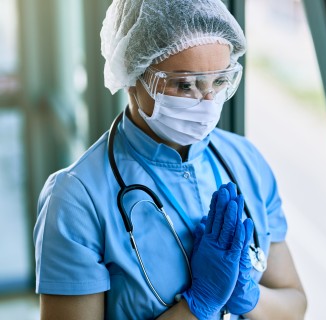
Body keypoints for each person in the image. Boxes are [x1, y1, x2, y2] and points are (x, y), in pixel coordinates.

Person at [33, 0, 307, 319]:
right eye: (184, 84)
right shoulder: (76, 198)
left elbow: (295, 304)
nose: (207, 103)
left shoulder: (245, 161)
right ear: (133, 74)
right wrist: (198, 303)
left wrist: (247, 294)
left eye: (219, 82)